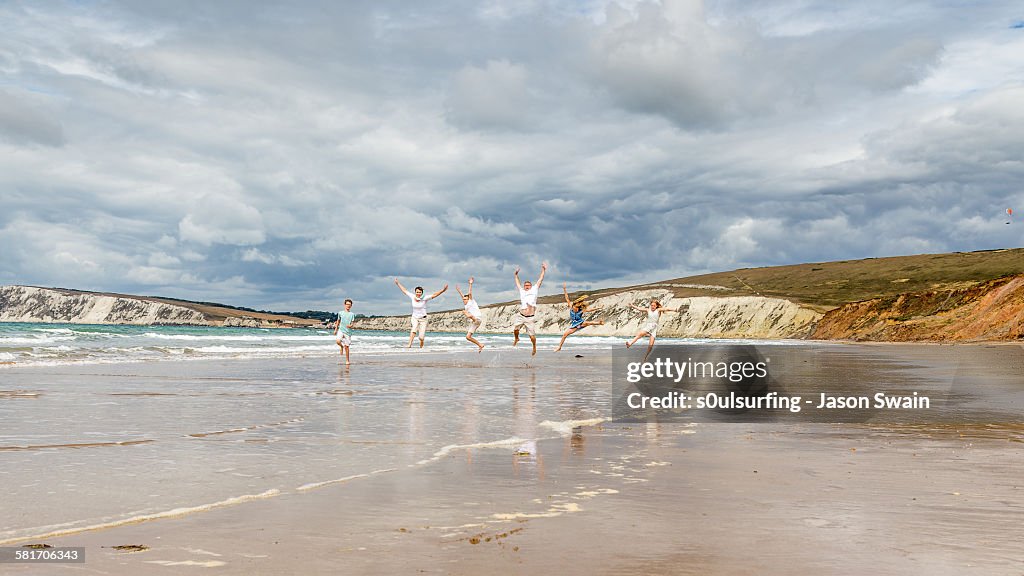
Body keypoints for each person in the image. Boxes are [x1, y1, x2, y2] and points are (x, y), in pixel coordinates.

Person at [394, 278, 448, 348]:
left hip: (423, 319)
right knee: (414, 328)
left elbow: (434, 295)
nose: (418, 293)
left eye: (420, 292)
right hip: (415, 317)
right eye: (417, 292)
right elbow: (404, 291)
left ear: (422, 293)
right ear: (415, 292)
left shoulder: (425, 298)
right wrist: (398, 283)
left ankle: (422, 342)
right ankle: (409, 344)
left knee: (421, 337)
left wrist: (443, 290)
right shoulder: (412, 296)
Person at [554, 282, 604, 352]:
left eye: (577, 304)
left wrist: (598, 308)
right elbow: (567, 298)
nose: (575, 307)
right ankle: (559, 347)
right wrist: (564, 289)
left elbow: (589, 310)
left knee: (588, 323)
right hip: (574, 325)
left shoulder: (581, 310)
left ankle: (599, 323)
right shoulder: (571, 306)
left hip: (580, 323)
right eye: (575, 305)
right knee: (565, 335)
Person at [512, 262, 547, 356]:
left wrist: (543, 270)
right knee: (515, 329)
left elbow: (540, 279)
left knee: (532, 336)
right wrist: (515, 274)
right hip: (521, 315)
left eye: (528, 285)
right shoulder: (522, 291)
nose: (526, 286)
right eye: (525, 285)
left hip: (530, 317)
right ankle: (516, 338)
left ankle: (534, 347)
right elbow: (517, 282)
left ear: (531, 286)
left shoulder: (535, 289)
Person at [455, 277, 485, 352]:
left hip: (477, 318)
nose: (464, 300)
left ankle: (469, 316)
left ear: (469, 299)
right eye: (463, 300)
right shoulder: (466, 304)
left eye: (465, 299)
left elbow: (470, 293)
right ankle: (480, 345)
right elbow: (463, 296)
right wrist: (459, 291)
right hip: (475, 322)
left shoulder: (471, 301)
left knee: (467, 313)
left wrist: (470, 284)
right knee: (468, 337)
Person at [334, 299, 357, 365]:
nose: (348, 306)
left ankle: (347, 360)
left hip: (348, 332)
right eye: (347, 304)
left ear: (351, 306)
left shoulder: (352, 314)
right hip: (341, 330)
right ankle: (341, 347)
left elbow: (352, 323)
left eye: (349, 305)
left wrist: (350, 325)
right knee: (338, 341)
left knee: (347, 347)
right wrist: (336, 329)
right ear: (344, 305)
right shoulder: (340, 313)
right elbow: (338, 321)